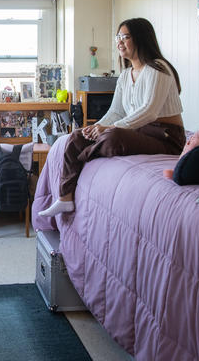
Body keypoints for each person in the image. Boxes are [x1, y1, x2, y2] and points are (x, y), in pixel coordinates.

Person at [39, 18, 184, 216]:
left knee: (112, 137)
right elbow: (116, 111)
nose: (120, 42)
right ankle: (65, 198)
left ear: (141, 39)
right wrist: (95, 127)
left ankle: (82, 157)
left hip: (166, 137)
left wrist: (108, 129)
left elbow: (149, 111)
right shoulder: (125, 75)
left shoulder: (158, 69)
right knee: (77, 136)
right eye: (118, 37)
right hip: (138, 130)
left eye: (125, 37)